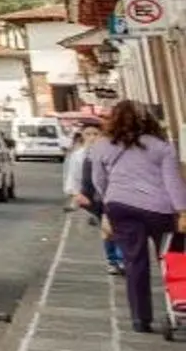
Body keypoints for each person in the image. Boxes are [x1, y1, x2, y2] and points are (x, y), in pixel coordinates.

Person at [72, 99, 186, 333]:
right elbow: (173, 183)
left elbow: (98, 180)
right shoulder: (160, 146)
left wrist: (108, 201)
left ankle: (140, 319)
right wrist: (182, 211)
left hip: (120, 206)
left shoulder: (102, 145)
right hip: (159, 208)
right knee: (172, 259)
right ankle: (179, 306)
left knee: (134, 262)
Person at [69, 125, 124, 271]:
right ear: (82, 135)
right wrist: (77, 195)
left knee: (116, 226)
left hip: (111, 194)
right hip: (92, 197)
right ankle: (112, 260)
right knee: (106, 229)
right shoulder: (78, 155)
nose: (92, 137)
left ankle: (119, 258)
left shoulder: (110, 152)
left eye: (95, 133)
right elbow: (73, 178)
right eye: (88, 134)